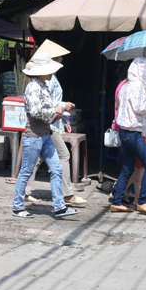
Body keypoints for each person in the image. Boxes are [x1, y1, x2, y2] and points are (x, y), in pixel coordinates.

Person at [12, 50, 79, 219]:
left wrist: (58, 111)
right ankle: (17, 206)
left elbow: (45, 111)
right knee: (26, 171)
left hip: (45, 133)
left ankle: (60, 206)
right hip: (34, 135)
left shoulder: (43, 86)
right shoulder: (33, 87)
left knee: (56, 169)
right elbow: (36, 112)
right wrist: (57, 110)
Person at [23, 40, 87, 207]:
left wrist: (63, 116)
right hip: (47, 124)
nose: (62, 60)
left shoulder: (48, 78)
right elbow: (45, 105)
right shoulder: (44, 80)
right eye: (59, 57)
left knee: (35, 159)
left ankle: (24, 192)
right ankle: (67, 195)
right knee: (63, 156)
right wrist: (61, 109)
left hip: (51, 122)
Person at [109, 60, 146, 206]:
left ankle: (117, 202)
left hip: (124, 131)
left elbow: (118, 105)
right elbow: (140, 108)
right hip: (134, 133)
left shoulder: (125, 86)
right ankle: (143, 201)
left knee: (128, 169)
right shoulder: (138, 87)